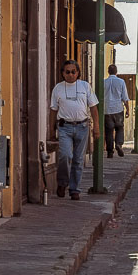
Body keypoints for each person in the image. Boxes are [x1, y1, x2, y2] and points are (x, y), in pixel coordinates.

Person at [49, 60, 99, 200]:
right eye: (67, 72)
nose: (70, 74)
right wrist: (52, 130)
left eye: (73, 72)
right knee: (65, 155)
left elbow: (93, 107)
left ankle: (74, 189)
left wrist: (96, 127)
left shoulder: (85, 86)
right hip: (65, 127)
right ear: (63, 73)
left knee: (78, 159)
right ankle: (62, 183)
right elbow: (53, 110)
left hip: (82, 126)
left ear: (78, 73)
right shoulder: (58, 88)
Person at [103, 64, 130, 158]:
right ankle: (118, 144)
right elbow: (125, 97)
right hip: (118, 109)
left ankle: (110, 151)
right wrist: (128, 110)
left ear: (108, 71)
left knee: (109, 131)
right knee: (119, 128)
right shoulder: (121, 82)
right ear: (116, 72)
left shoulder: (104, 82)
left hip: (106, 110)